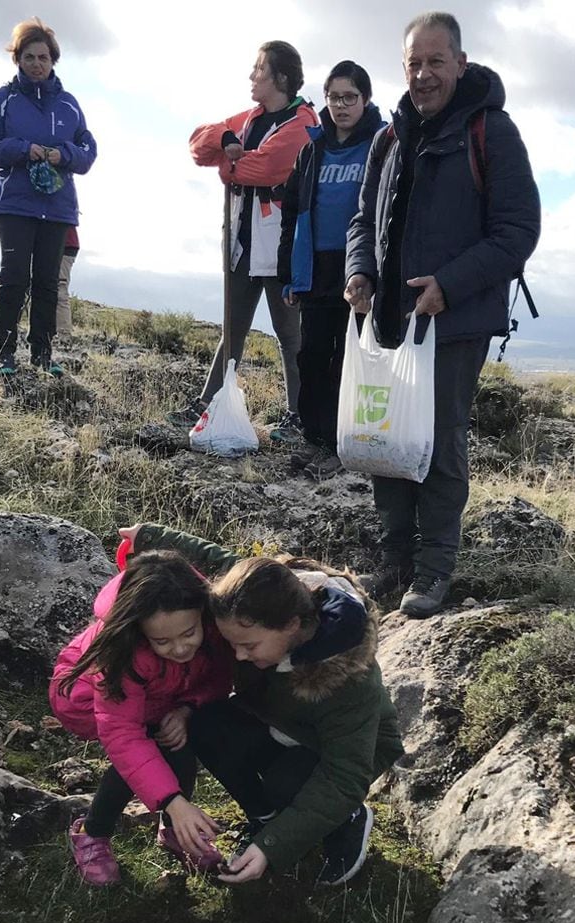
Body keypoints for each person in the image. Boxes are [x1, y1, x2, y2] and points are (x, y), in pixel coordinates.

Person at [345, 11, 540, 618]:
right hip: (389, 319)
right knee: (386, 438)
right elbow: (361, 222)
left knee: (440, 444)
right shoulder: (388, 138)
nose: (423, 75)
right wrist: (359, 272)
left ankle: (432, 573)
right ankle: (393, 560)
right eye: (413, 64)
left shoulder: (492, 132)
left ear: (460, 62)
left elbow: (517, 232)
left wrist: (448, 286)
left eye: (435, 62)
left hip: (453, 321)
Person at [122, 523, 404, 887]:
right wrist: (146, 535)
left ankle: (346, 821)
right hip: (277, 721)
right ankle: (265, 819)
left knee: (288, 784)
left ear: (291, 626)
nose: (236, 654)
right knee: (205, 724)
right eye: (232, 643)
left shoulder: (350, 678)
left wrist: (272, 848)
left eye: (249, 647)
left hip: (346, 750)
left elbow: (344, 774)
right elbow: (213, 559)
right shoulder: (261, 591)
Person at [49, 550, 233, 885]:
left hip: (168, 694)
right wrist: (173, 802)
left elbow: (219, 676)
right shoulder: (119, 652)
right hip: (90, 698)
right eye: (162, 640)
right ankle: (92, 832)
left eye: (189, 634)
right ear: (139, 630)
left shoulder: (212, 620)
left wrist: (187, 708)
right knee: (140, 752)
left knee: (176, 742)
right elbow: (123, 734)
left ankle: (178, 832)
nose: (180, 648)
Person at [168, 42, 318, 442]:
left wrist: (228, 159)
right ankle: (207, 403)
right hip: (242, 242)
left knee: (290, 334)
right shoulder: (250, 119)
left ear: (281, 78)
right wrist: (228, 138)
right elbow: (200, 140)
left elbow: (268, 168)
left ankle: (298, 415)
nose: (252, 76)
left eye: (259, 69)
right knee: (232, 329)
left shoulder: (302, 123)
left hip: (280, 247)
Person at [278, 61, 385, 479]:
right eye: (334, 97)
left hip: (360, 267)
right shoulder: (312, 149)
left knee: (352, 358)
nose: (341, 106)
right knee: (312, 354)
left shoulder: (382, 143)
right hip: (316, 268)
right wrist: (290, 271)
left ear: (366, 99)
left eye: (350, 97)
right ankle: (315, 436)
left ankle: (347, 440)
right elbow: (293, 213)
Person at [0, 17, 97, 377]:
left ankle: (42, 355)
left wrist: (66, 156)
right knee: (14, 276)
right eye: (29, 57)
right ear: (18, 59)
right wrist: (22, 148)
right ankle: (4, 353)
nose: (37, 64)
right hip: (14, 203)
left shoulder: (70, 104)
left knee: (47, 281)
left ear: (53, 60)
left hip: (58, 207)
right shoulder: (4, 99)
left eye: (43, 57)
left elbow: (88, 150)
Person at [56, 224, 79, 339]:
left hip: (64, 243)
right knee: (59, 287)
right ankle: (61, 331)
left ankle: (63, 333)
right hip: (67, 243)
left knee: (60, 289)